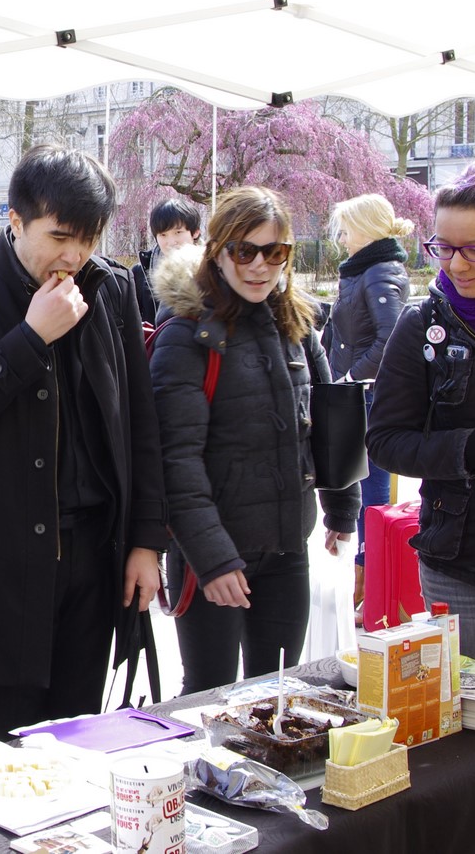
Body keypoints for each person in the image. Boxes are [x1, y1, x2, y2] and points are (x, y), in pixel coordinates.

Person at [0, 145, 165, 743]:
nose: (73, 255)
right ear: (15, 219)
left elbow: (139, 421)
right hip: (6, 561)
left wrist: (147, 542)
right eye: (58, 236)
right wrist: (31, 337)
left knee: (80, 733)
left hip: (94, 549)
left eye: (88, 238)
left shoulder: (109, 288)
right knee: (9, 741)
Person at [149, 186, 360, 695]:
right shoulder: (187, 333)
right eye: (245, 250)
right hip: (212, 558)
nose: (260, 265)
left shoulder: (298, 324)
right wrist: (214, 559)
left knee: (280, 694)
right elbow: (175, 460)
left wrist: (341, 509)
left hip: (288, 547)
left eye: (275, 251)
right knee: (209, 694)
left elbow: (327, 423)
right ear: (218, 250)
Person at [368, 161, 475, 671]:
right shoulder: (422, 324)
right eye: (443, 247)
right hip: (460, 556)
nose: (457, 265)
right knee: (470, 719)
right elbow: (385, 441)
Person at [326, 194, 413, 614]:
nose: (341, 239)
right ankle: (369, 581)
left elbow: (390, 338)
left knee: (372, 489)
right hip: (359, 391)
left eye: (345, 229)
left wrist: (349, 376)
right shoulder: (367, 271)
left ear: (366, 228)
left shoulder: (379, 272)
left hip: (367, 394)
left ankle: (374, 581)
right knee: (365, 485)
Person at [133, 198, 202, 326]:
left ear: (195, 232)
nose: (171, 242)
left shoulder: (209, 269)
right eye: (163, 235)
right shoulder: (140, 272)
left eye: (178, 232)